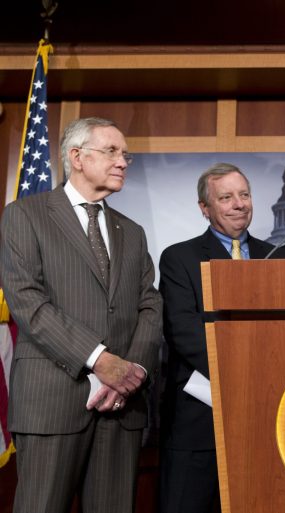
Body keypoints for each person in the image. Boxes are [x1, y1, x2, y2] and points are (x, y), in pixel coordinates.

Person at [0, 117, 162, 513]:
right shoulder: (25, 215)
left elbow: (150, 305)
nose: (123, 161)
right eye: (112, 152)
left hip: (121, 407)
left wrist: (131, 372)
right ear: (77, 157)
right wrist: (101, 361)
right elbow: (28, 302)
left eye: (126, 155)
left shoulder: (132, 231)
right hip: (51, 403)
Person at [158, 163, 274, 513]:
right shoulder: (180, 258)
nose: (239, 204)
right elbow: (184, 332)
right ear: (204, 208)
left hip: (267, 418)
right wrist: (246, 375)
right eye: (226, 197)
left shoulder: (276, 257)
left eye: (244, 195)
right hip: (200, 420)